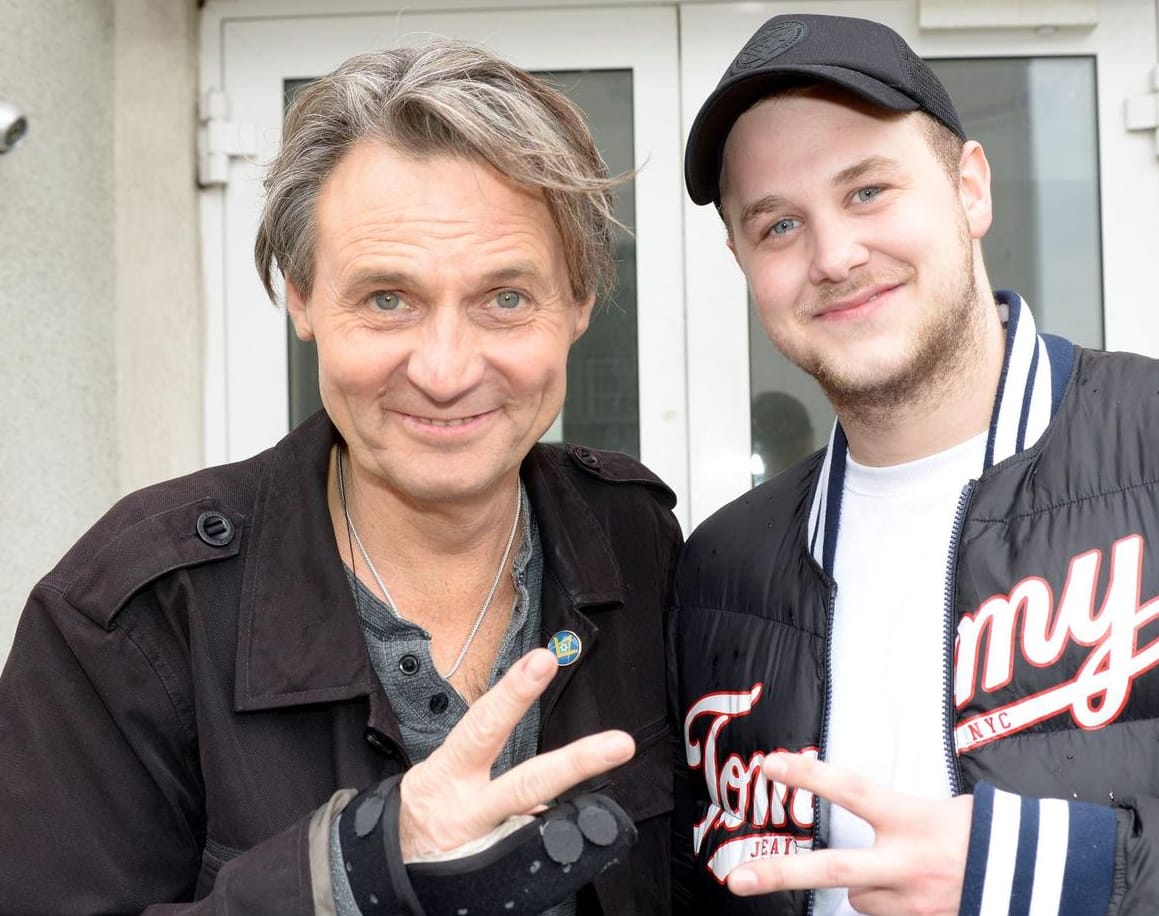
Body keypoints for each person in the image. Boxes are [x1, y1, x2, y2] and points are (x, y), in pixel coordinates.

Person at [668, 13, 1159, 916]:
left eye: (869, 191)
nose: (834, 255)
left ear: (969, 188)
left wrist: (1047, 868)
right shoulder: (724, 567)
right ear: (741, 261)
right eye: (776, 226)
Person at [0, 41, 680, 914]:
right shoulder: (134, 615)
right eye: (387, 298)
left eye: (505, 297)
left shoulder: (636, 541)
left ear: (580, 303)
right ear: (302, 297)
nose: (444, 368)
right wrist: (347, 877)